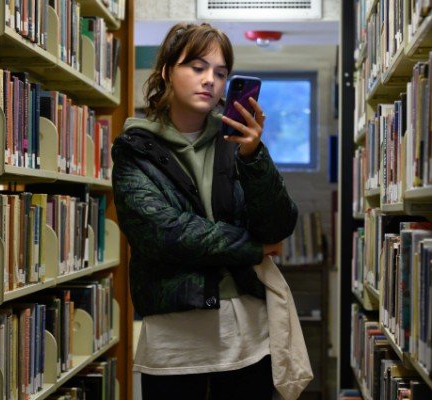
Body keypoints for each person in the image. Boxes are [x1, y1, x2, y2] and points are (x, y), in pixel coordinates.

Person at [111, 22, 298, 399]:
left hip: (248, 340)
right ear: (167, 71)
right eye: (197, 67)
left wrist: (254, 157)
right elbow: (164, 234)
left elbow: (278, 226)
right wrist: (251, 248)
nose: (210, 80)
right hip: (176, 346)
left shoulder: (237, 144)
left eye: (221, 73)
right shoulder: (134, 150)